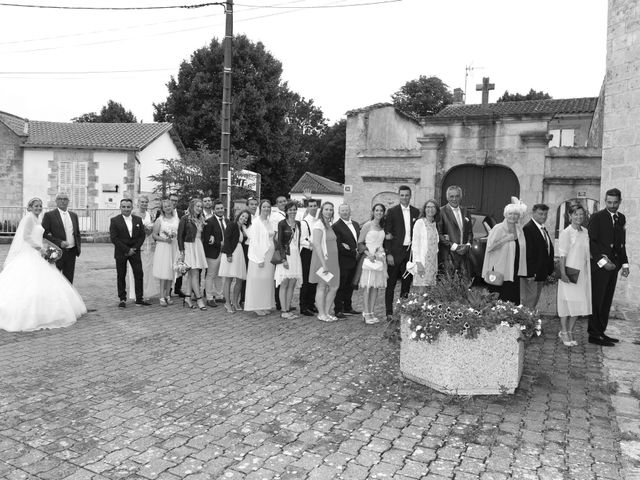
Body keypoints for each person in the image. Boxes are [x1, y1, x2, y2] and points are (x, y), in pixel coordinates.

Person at [0, 198, 86, 331]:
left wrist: (52, 247)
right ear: (30, 207)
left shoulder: (37, 218)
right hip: (31, 253)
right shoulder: (29, 218)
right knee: (29, 283)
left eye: (40, 206)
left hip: (38, 252)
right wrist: (41, 250)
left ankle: (43, 311)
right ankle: (26, 315)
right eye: (36, 206)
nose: (38, 208)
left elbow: (41, 236)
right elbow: (26, 237)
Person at [588, 188, 630, 346]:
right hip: (600, 267)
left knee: (606, 301)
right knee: (597, 300)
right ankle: (593, 334)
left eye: (615, 202)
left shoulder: (621, 218)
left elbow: (621, 244)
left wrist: (624, 264)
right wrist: (603, 263)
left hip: (615, 266)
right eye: (609, 202)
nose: (612, 205)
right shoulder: (597, 217)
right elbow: (591, 242)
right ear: (605, 201)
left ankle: (601, 332)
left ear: (620, 201)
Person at [557, 204, 592, 347]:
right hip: (570, 274)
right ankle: (564, 331)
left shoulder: (585, 232)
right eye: (576, 214)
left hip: (582, 274)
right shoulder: (566, 232)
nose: (579, 217)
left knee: (578, 303)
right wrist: (563, 273)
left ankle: (570, 331)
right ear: (570, 216)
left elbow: (588, 253)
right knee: (566, 303)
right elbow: (562, 255)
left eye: (581, 214)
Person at [384, 185, 420, 320]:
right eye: (402, 195)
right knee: (391, 284)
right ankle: (389, 312)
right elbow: (387, 234)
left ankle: (402, 310)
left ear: (410, 196)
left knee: (406, 284)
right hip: (395, 252)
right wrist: (388, 253)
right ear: (399, 196)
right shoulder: (392, 212)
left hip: (409, 253)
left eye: (407, 195)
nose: (404, 197)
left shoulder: (417, 212)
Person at [481, 199, 527, 303]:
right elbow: (490, 247)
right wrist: (506, 239)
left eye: (516, 214)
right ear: (505, 214)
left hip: (514, 269)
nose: (513, 216)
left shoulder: (519, 229)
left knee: (512, 297)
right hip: (500, 270)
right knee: (499, 297)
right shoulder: (498, 228)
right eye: (510, 213)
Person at [110, 198, 150, 307]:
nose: (126, 209)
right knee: (121, 275)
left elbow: (142, 236)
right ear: (120, 207)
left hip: (135, 251)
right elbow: (114, 238)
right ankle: (122, 299)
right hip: (121, 252)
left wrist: (134, 249)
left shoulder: (138, 219)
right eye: (124, 207)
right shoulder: (114, 220)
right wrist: (127, 250)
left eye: (128, 207)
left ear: (132, 208)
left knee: (139, 274)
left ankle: (139, 298)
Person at [310, 202, 341, 322]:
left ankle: (327, 312)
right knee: (322, 286)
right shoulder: (318, 225)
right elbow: (317, 245)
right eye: (326, 209)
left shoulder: (328, 224)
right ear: (322, 210)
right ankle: (321, 313)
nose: (328, 211)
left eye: (331, 210)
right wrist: (323, 264)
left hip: (333, 260)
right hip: (323, 260)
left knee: (334, 286)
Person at [357, 203, 388, 324]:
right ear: (373, 212)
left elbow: (382, 242)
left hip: (379, 259)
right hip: (369, 259)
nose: (379, 212)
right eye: (377, 210)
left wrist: (382, 252)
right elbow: (359, 243)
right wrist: (368, 254)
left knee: (375, 287)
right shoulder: (367, 225)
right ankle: (365, 313)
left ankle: (371, 312)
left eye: (381, 210)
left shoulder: (383, 226)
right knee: (368, 287)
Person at [42, 191, 82, 284]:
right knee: (55, 278)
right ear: (56, 201)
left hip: (71, 252)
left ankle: (67, 298)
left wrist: (77, 247)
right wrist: (59, 242)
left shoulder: (74, 215)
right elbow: (43, 234)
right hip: (56, 251)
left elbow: (77, 233)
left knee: (69, 279)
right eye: (60, 199)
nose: (63, 201)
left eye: (65, 199)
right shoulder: (49, 215)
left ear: (68, 201)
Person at [245, 199, 276, 316]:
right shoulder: (256, 222)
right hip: (260, 256)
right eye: (264, 207)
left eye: (268, 207)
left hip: (270, 256)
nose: (266, 209)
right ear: (260, 208)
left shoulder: (269, 221)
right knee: (257, 280)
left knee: (267, 281)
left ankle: (264, 304)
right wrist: (260, 259)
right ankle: (256, 306)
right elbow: (255, 242)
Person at [521, 204, 555, 310]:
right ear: (533, 213)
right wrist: (530, 273)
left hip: (540, 272)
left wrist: (549, 270)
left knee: (534, 300)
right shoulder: (528, 228)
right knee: (529, 301)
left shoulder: (542, 228)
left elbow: (546, 250)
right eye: (541, 214)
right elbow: (527, 252)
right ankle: (525, 325)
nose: (543, 217)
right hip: (532, 274)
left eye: (545, 214)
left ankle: (529, 323)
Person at [178, 198, 208, 311]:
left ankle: (187, 297)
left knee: (191, 274)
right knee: (195, 273)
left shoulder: (201, 219)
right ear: (192, 206)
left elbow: (202, 235)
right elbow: (180, 235)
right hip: (188, 247)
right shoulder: (185, 219)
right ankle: (199, 298)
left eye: (201, 207)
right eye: (197, 206)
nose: (199, 209)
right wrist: (182, 251)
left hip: (198, 246)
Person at [274, 201, 303, 319]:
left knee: (292, 283)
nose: (293, 212)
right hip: (286, 255)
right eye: (290, 210)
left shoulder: (298, 224)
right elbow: (280, 243)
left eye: (294, 209)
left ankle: (288, 307)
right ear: (286, 211)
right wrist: (283, 259)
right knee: (284, 283)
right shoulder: (282, 223)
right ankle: (284, 310)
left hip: (296, 255)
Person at [438, 185, 474, 277]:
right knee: (448, 285)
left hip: (464, 255)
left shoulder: (466, 212)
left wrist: (468, 245)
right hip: (448, 255)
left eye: (457, 196)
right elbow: (439, 234)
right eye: (451, 196)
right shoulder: (441, 212)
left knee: (464, 284)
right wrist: (454, 246)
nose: (454, 199)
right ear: (447, 197)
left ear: (460, 197)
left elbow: (470, 232)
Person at [332, 204, 361, 318]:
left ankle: (348, 307)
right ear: (339, 212)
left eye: (347, 210)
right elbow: (339, 245)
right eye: (342, 210)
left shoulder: (356, 224)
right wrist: (353, 252)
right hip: (343, 260)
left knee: (350, 285)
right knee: (341, 285)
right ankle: (338, 309)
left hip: (355, 260)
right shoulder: (336, 226)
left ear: (350, 211)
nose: (345, 212)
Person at [128, 195, 158, 301]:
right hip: (137, 244)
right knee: (137, 269)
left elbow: (152, 228)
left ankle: (146, 292)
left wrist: (149, 231)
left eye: (146, 202)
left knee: (147, 269)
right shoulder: (134, 213)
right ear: (138, 202)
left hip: (148, 243)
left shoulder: (148, 214)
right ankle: (137, 293)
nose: (144, 204)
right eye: (142, 202)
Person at [220, 209, 250, 313]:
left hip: (239, 254)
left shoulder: (242, 228)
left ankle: (235, 301)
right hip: (231, 253)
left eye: (246, 218)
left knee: (239, 279)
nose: (243, 218)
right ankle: (227, 303)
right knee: (228, 279)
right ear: (238, 215)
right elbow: (227, 239)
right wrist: (229, 254)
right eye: (242, 216)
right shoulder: (232, 225)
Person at [152, 199, 180, 307]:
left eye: (169, 206)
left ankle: (168, 295)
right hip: (163, 247)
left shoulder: (176, 219)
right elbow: (154, 235)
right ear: (162, 209)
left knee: (171, 271)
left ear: (172, 206)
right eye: (165, 206)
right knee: (163, 272)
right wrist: (164, 240)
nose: (168, 208)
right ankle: (161, 296)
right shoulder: (160, 220)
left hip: (173, 246)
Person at [411, 200, 440, 292]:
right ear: (424, 209)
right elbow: (415, 244)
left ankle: (426, 307)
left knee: (429, 291)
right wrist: (418, 263)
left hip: (432, 262)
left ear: (436, 210)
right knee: (422, 292)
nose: (430, 209)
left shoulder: (434, 224)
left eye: (432, 207)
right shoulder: (420, 223)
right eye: (428, 207)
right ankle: (418, 307)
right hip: (423, 262)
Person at [202, 199, 227, 307]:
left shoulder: (227, 221)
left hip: (224, 253)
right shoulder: (209, 221)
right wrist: (219, 243)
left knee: (219, 275)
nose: (220, 210)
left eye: (221, 208)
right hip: (213, 253)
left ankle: (219, 295)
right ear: (214, 210)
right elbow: (207, 239)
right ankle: (209, 297)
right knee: (211, 275)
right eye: (217, 209)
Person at [299, 198, 319, 316]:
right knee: (306, 280)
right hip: (307, 253)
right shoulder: (304, 222)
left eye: (315, 206)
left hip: (316, 253)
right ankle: (303, 306)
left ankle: (311, 303)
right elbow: (302, 239)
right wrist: (311, 244)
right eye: (310, 206)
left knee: (314, 280)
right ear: (307, 207)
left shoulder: (318, 221)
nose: (313, 208)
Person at [271, 195, 288, 310]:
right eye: (280, 202)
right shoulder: (275, 216)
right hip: (280, 249)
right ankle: (279, 302)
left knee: (284, 277)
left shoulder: (287, 215)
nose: (283, 203)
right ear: (276, 204)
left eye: (284, 201)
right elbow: (276, 236)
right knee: (279, 277)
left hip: (287, 249)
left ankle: (283, 302)